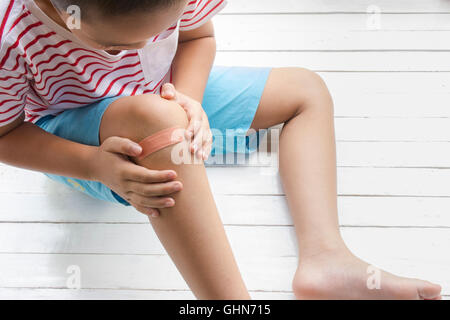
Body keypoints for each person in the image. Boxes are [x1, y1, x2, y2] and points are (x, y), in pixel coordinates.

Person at [0, 0, 442, 300]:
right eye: (114, 47)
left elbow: (197, 39)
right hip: (79, 138)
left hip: (161, 97)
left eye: (159, 33)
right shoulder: (11, 37)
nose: (133, 54)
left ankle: (325, 259)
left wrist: (188, 100)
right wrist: (93, 165)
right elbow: (6, 134)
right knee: (159, 123)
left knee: (306, 90)